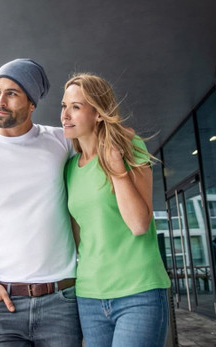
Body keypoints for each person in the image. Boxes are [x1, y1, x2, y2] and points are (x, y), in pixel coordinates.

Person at [0, 58, 82, 346]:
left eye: (12, 93)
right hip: (2, 302)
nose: (0, 101)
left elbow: (100, 146)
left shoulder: (62, 142)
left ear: (32, 103)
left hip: (61, 301)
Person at [61, 73, 171, 346]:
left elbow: (139, 224)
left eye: (76, 107)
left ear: (98, 113)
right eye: (64, 106)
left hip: (139, 291)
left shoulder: (130, 148)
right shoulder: (70, 169)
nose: (65, 114)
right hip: (89, 296)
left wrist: (117, 169)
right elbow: (79, 237)